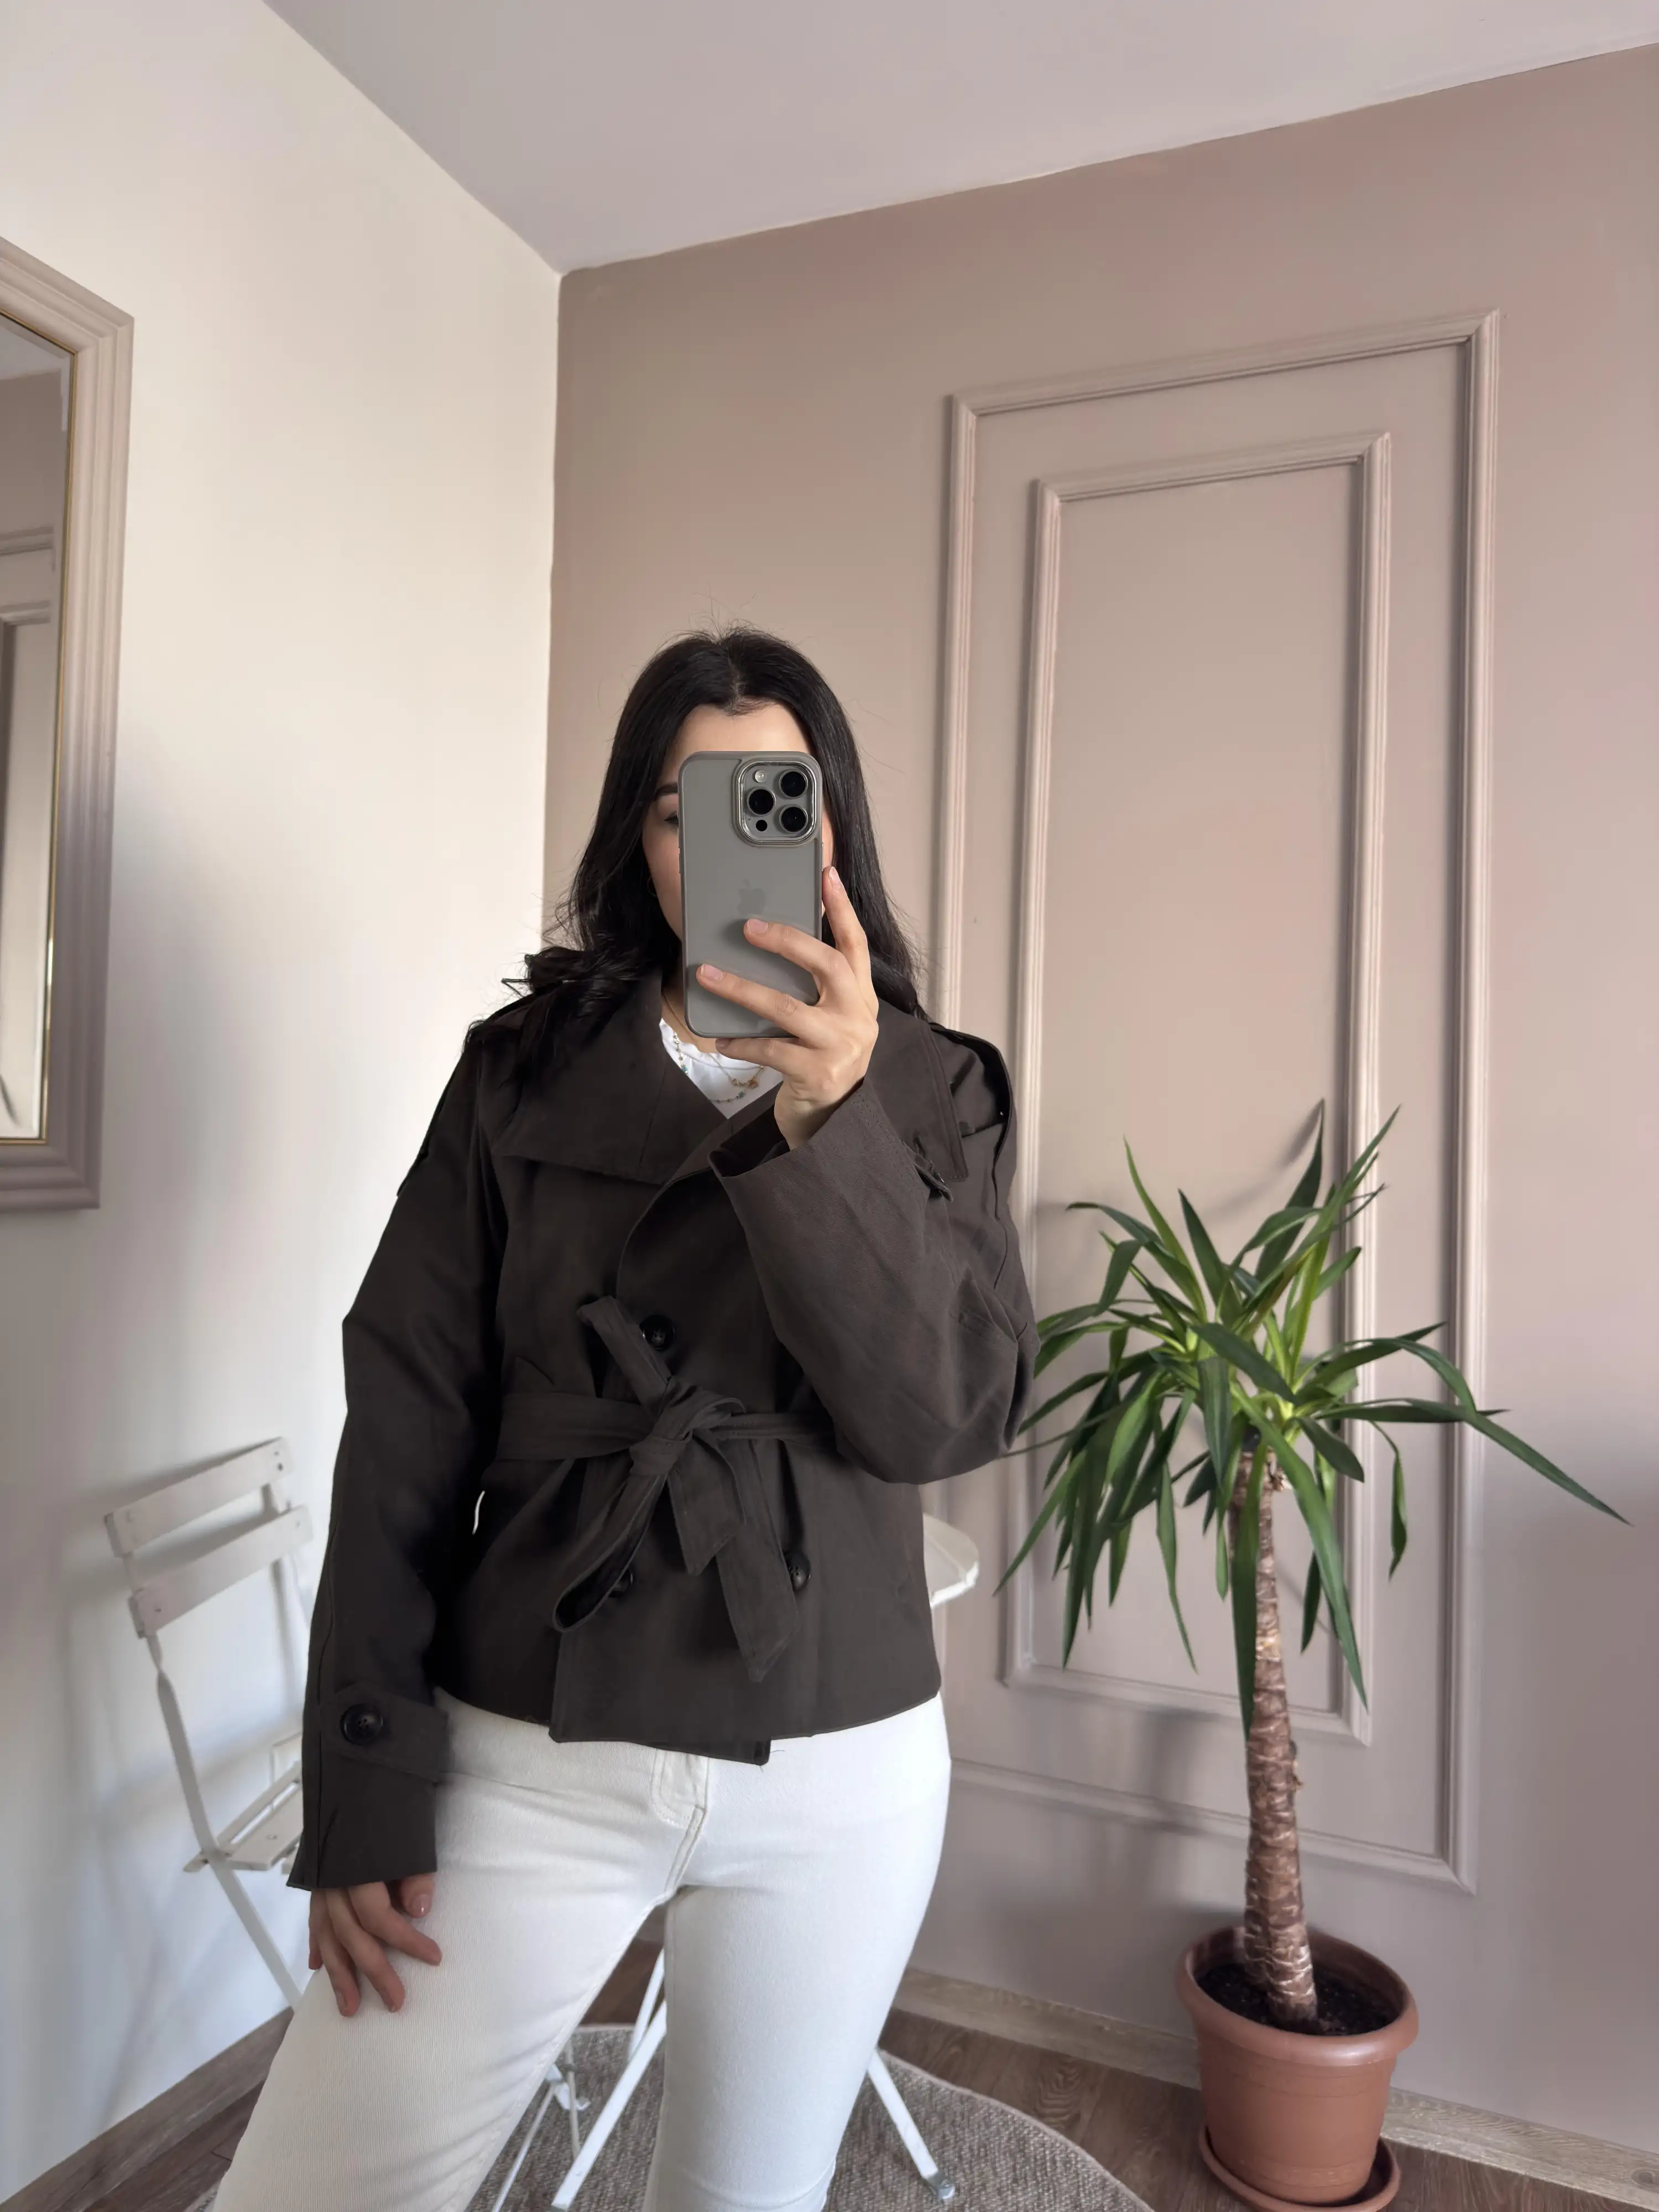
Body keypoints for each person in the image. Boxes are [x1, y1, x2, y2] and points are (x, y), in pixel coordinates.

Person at [213, 628, 1037, 2212]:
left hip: (837, 1749)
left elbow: (946, 1418)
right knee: (320, 2184)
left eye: (771, 798)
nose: (723, 841)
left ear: (831, 827)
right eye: (682, 807)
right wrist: (363, 1775)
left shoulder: (935, 1089)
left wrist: (836, 1119)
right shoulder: (517, 1076)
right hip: (532, 1730)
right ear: (639, 841)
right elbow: (404, 1423)